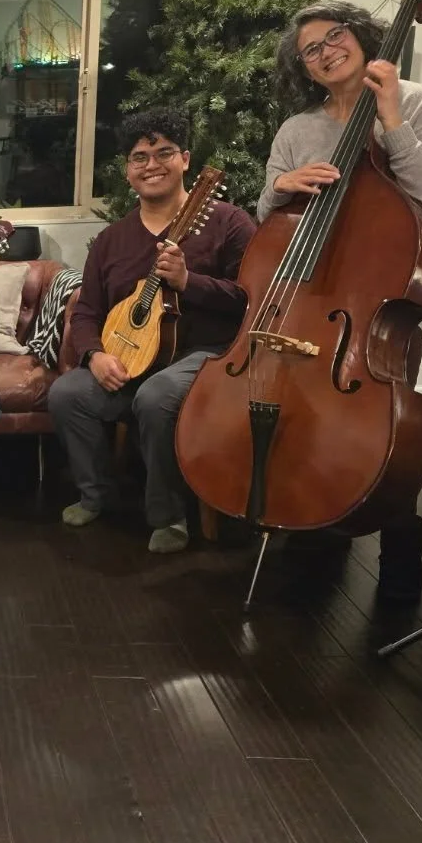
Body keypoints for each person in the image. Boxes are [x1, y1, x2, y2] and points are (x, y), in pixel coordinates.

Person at [257, 1, 422, 604]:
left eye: (333, 36)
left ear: (361, 36)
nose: (324, 53)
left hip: (381, 293)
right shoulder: (298, 129)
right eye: (310, 50)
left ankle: (399, 538)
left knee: (382, 423)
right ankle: (317, 523)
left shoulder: (419, 99)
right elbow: (265, 218)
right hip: (311, 289)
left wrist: (390, 115)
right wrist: (279, 187)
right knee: (307, 411)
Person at [49, 108, 256, 554]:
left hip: (208, 357)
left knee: (156, 396)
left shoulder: (229, 222)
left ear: (185, 159)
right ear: (128, 171)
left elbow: (254, 301)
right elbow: (86, 312)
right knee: (68, 394)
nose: (151, 165)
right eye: (139, 157)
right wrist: (93, 356)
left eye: (163, 153)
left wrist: (189, 283)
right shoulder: (112, 241)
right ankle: (96, 494)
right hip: (132, 358)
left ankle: (168, 515)